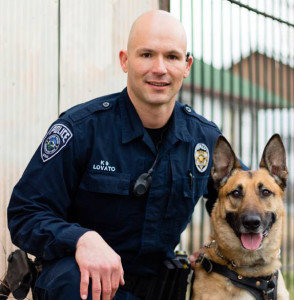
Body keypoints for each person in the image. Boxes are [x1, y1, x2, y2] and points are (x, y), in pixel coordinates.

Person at [7, 10, 223, 300]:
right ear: (125, 60)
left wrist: (218, 248)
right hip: (85, 288)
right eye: (146, 54)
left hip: (159, 287)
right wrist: (82, 239)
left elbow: (244, 196)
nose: (159, 68)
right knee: (72, 282)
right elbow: (25, 214)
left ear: (187, 65)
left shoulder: (204, 139)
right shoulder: (81, 129)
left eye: (172, 57)